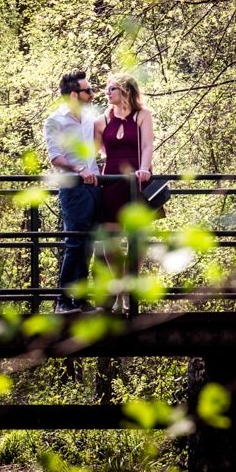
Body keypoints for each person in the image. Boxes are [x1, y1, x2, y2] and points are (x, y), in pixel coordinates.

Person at [43, 69, 103, 314]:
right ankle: (63, 301)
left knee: (89, 244)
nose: (92, 94)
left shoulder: (91, 118)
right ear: (75, 95)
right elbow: (55, 157)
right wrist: (79, 169)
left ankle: (79, 300)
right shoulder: (55, 120)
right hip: (73, 188)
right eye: (88, 90)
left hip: (95, 185)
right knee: (76, 243)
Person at [94, 73, 154, 313]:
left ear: (126, 92)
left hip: (136, 179)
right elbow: (93, 152)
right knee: (109, 238)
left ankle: (130, 290)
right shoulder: (102, 121)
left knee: (137, 239)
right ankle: (119, 289)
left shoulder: (142, 115)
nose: (107, 93)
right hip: (111, 180)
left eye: (112, 89)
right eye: (108, 89)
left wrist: (144, 168)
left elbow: (148, 144)